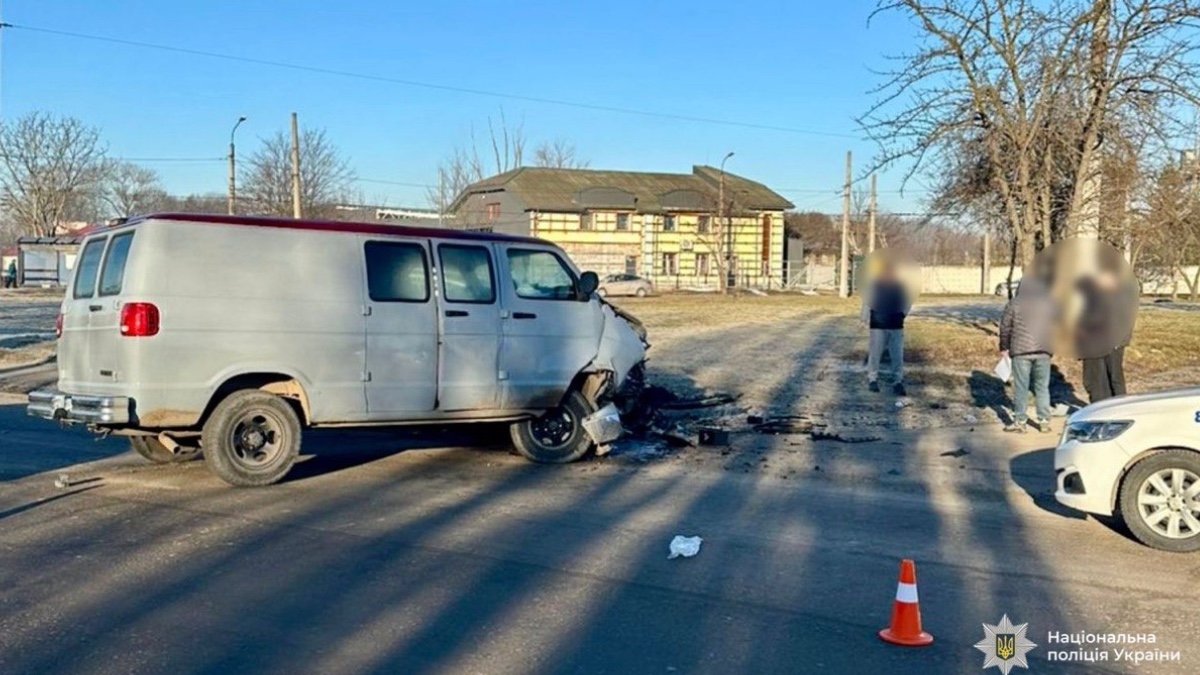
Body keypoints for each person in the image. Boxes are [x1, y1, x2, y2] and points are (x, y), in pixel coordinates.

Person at [998, 277, 1057, 433]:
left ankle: (1020, 421)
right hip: (1044, 351)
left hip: (1021, 351)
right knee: (1042, 387)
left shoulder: (1014, 303)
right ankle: (1044, 421)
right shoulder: (1048, 303)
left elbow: (1005, 328)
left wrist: (1004, 347)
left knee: (1021, 388)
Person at [1075, 270, 1130, 403]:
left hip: (1113, 344)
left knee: (1114, 377)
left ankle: (1120, 405)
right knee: (1097, 380)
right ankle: (1102, 406)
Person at [865, 261, 911, 396]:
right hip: (878, 324)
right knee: (875, 353)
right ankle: (872, 379)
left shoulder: (900, 287)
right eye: (886, 273)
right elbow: (868, 303)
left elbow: (907, 303)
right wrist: (864, 318)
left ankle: (898, 381)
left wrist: (903, 315)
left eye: (890, 273)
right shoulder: (874, 285)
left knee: (897, 355)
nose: (888, 275)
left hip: (896, 325)